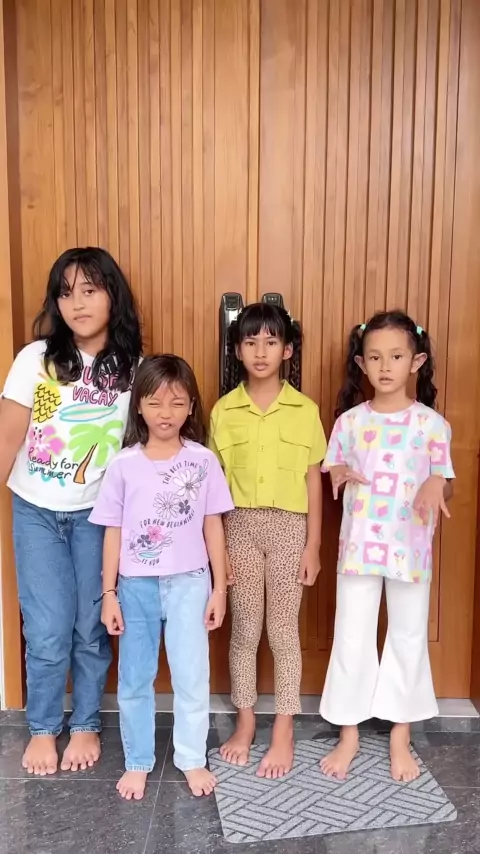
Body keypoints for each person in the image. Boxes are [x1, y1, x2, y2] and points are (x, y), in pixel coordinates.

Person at [0, 247, 142, 776]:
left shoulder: (133, 369)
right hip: (36, 511)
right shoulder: (36, 359)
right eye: (65, 293)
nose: (77, 303)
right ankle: (43, 726)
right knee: (47, 628)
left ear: (112, 296)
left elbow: (142, 452)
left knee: (89, 626)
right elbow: (8, 438)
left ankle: (85, 722)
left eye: (89, 290)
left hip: (97, 519)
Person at [90, 355, 234, 801]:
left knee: (192, 675)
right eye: (155, 403)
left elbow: (213, 525)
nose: (165, 413)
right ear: (139, 406)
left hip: (191, 582)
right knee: (135, 677)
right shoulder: (123, 465)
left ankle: (191, 757)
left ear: (191, 406)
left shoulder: (203, 461)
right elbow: (113, 532)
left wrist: (219, 588)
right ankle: (138, 760)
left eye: (176, 403)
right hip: (135, 587)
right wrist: (109, 593)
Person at [320, 310, 454, 783]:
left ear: (416, 361)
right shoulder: (349, 423)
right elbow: (332, 467)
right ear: (361, 363)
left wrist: (438, 483)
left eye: (396, 356)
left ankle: (401, 734)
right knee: (351, 636)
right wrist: (337, 472)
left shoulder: (432, 425)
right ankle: (349, 733)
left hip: (410, 549)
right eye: (374, 357)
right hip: (358, 549)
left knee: (408, 636)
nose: (385, 366)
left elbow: (444, 480)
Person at [209, 302, 326, 779]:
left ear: (287, 350)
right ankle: (245, 722)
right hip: (237, 526)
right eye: (250, 342)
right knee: (244, 630)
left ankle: (283, 727)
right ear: (237, 351)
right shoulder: (223, 411)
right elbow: (213, 488)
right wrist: (218, 554)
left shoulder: (305, 411)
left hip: (289, 529)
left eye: (271, 342)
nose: (261, 351)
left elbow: (314, 481)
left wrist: (313, 546)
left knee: (282, 631)